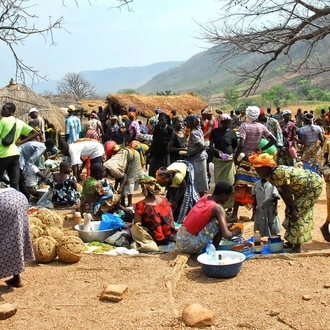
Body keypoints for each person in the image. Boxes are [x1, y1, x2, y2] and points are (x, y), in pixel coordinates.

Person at [249, 152, 323, 253]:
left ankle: (297, 245)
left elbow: (287, 191)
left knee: (298, 213)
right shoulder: (270, 176)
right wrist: (288, 207)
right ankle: (291, 241)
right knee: (291, 212)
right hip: (301, 190)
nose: (257, 172)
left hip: (312, 187)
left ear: (266, 168)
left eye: (258, 170)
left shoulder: (278, 173)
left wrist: (292, 208)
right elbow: (282, 192)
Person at [230, 106, 277, 221]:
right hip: (255, 160)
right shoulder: (261, 127)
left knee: (240, 185)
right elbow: (273, 140)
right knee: (254, 187)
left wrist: (236, 159)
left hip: (245, 159)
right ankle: (254, 214)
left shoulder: (244, 126)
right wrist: (260, 149)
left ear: (247, 114)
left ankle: (234, 214)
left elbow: (241, 144)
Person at [176, 180, 242, 254]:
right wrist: (236, 231)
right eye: (228, 197)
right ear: (222, 195)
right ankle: (213, 251)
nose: (228, 199)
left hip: (180, 239)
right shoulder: (217, 208)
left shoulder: (206, 197)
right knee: (217, 222)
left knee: (219, 221)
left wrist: (227, 225)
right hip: (187, 245)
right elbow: (227, 235)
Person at [0, 187, 35, 287]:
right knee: (16, 237)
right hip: (18, 198)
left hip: (4, 203)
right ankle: (17, 279)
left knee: (7, 240)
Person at [0, 102, 39, 190]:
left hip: (2, 153)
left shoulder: (3, 121)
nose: (1, 111)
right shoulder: (19, 122)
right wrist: (21, 142)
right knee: (14, 181)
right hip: (15, 153)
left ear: (11, 111)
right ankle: (16, 201)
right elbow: (35, 133)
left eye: (4, 109)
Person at [134, 176, 176, 245]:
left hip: (156, 239)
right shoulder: (164, 200)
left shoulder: (140, 204)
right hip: (169, 235)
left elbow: (137, 226)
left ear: (144, 189)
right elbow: (171, 219)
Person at [209, 114, 238, 211]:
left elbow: (235, 146)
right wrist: (218, 152)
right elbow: (211, 146)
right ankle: (219, 205)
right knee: (220, 183)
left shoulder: (232, 133)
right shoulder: (215, 132)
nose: (227, 125)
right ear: (221, 123)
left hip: (229, 162)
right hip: (219, 162)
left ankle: (229, 206)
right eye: (225, 123)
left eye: (229, 123)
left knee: (230, 182)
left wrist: (233, 155)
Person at [186, 114, 208, 197]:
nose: (186, 124)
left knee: (198, 180)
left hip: (197, 158)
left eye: (187, 122)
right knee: (200, 179)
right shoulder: (199, 130)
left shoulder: (193, 132)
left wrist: (191, 154)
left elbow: (201, 146)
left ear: (191, 123)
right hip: (200, 157)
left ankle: (202, 199)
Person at [148, 113, 174, 178]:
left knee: (165, 170)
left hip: (165, 153)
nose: (161, 122)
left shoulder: (170, 130)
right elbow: (154, 140)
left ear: (166, 121)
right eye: (160, 120)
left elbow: (171, 142)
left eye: (163, 120)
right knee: (152, 169)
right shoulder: (157, 127)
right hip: (156, 151)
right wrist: (149, 150)